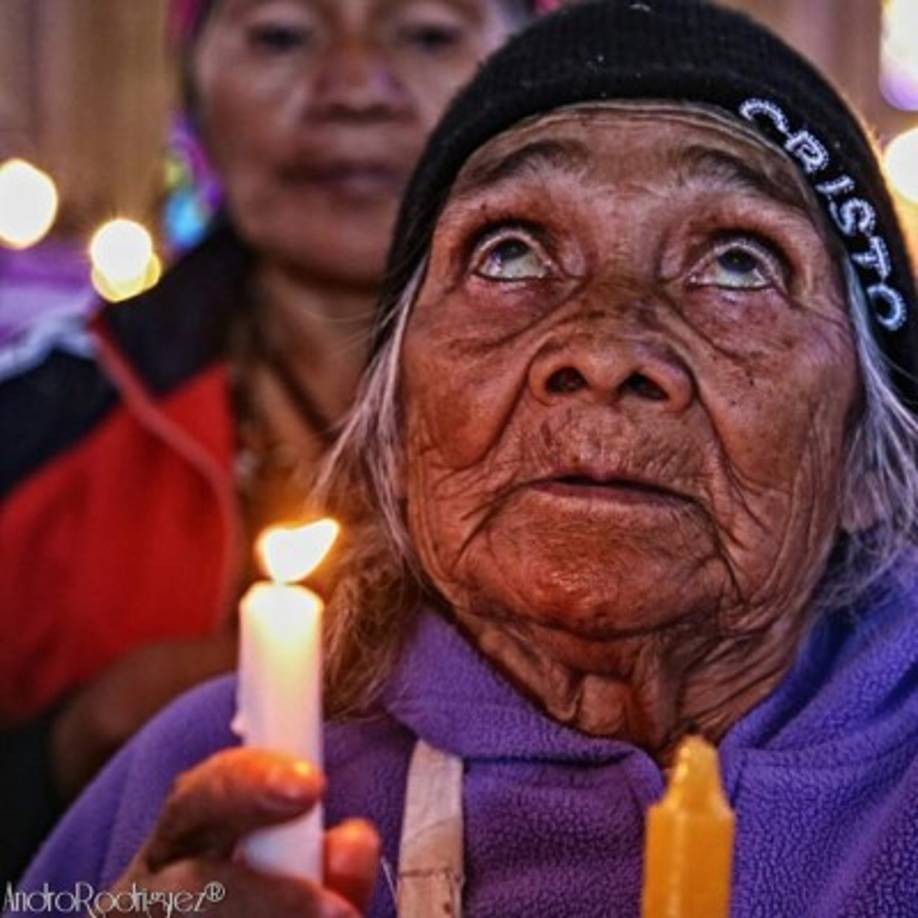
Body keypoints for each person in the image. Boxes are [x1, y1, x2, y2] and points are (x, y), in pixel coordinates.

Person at [12, 1, 918, 915]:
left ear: (872, 467)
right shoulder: (209, 788)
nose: (603, 351)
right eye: (511, 253)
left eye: (737, 265)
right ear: (399, 426)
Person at [0, 0, 534, 886]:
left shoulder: (617, 425)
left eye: (430, 33)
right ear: (193, 81)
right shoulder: (43, 423)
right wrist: (75, 741)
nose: (355, 88)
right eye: (284, 34)